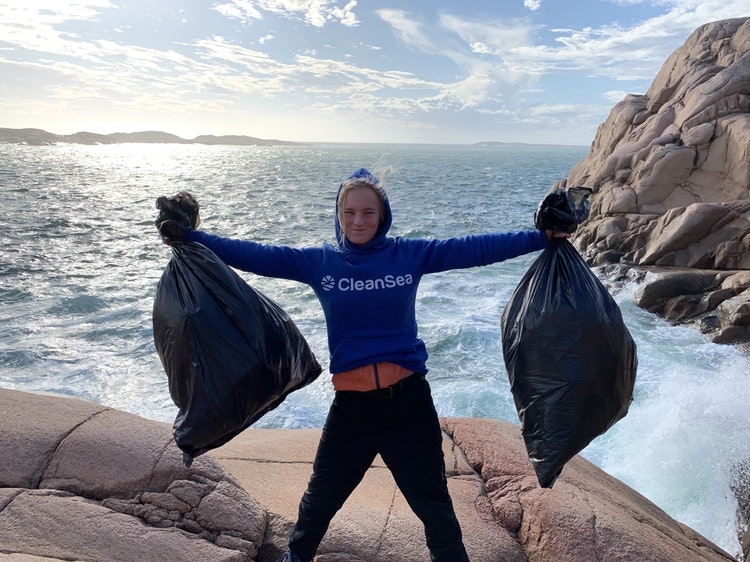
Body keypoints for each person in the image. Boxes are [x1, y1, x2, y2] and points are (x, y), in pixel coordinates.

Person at [156, 168, 568, 562]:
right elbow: (255, 254)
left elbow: (476, 248)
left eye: (368, 212)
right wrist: (190, 237)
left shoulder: (409, 254)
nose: (359, 220)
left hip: (408, 405)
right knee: (319, 502)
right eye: (349, 212)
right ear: (338, 216)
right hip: (352, 408)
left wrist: (541, 236)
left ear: (382, 215)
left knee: (435, 508)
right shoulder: (321, 263)